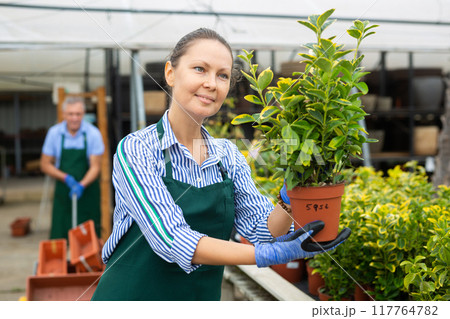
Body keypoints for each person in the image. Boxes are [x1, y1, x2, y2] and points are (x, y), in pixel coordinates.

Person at [91, 28, 349, 301]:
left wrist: (291, 193)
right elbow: (171, 238)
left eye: (222, 75)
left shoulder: (228, 156)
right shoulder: (137, 150)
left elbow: (262, 232)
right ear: (170, 73)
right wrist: (270, 255)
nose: (212, 83)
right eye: (200, 69)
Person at [40, 96, 104, 240]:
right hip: (63, 192)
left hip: (87, 193)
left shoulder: (93, 134)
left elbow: (95, 167)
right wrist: (65, 178)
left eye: (78, 114)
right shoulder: (54, 133)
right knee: (60, 236)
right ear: (64, 114)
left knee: (90, 238)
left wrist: (81, 185)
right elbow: (44, 164)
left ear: (83, 114)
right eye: (70, 114)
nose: (74, 118)